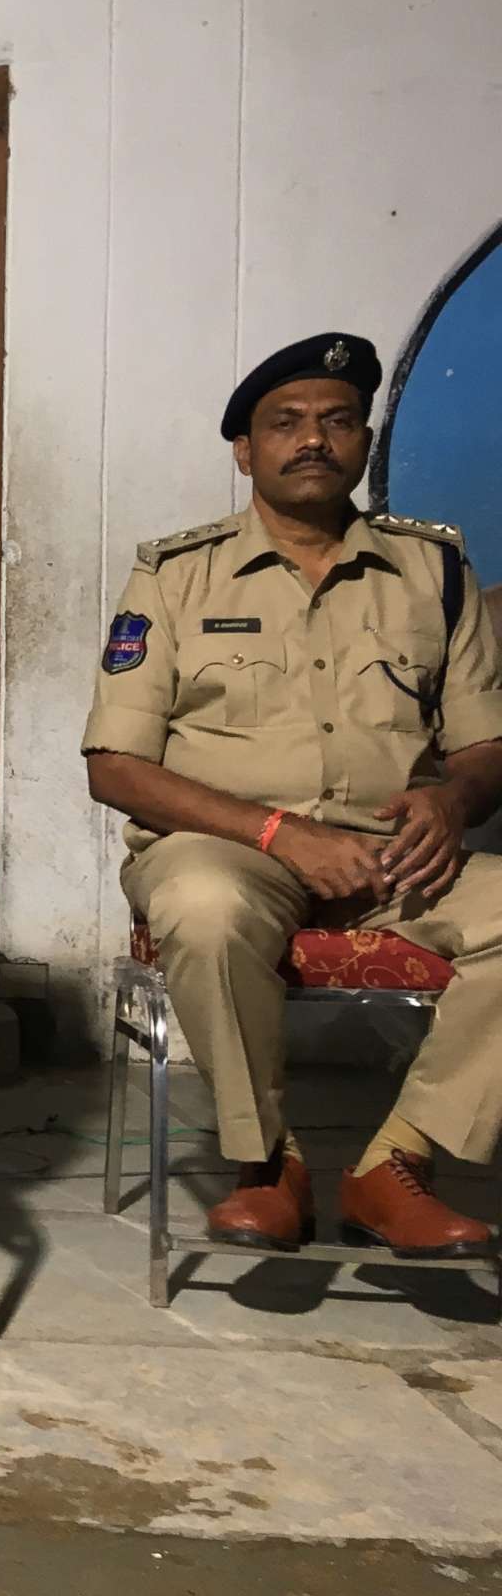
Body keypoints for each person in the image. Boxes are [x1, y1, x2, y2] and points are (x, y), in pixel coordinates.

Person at [85, 333, 502, 1257]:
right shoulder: (175, 575)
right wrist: (277, 832)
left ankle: (398, 1165)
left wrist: (453, 800)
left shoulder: (432, 572)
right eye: (286, 423)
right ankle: (266, 1162)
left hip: (397, 853)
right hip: (228, 846)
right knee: (202, 905)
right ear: (246, 451)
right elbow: (114, 764)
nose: (312, 440)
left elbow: (484, 745)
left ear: (361, 442)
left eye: (337, 421)